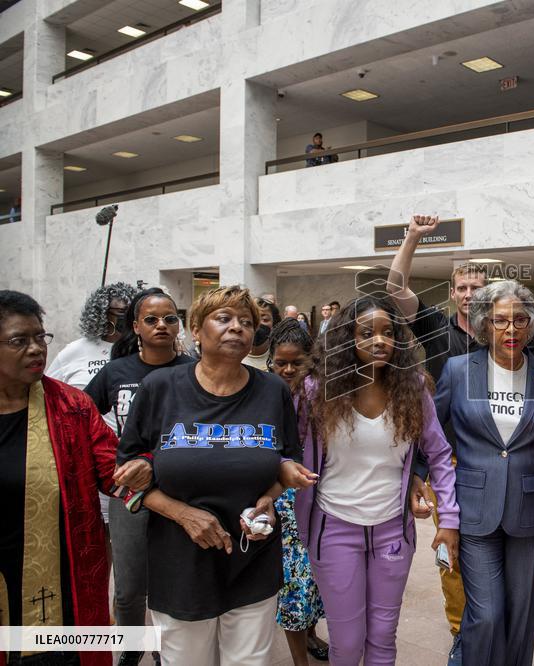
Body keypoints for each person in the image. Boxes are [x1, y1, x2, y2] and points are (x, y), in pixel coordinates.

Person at [116, 285, 314, 666]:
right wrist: (182, 513)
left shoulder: (271, 390)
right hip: (180, 565)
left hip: (252, 558)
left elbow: (286, 460)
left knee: (249, 662)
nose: (237, 328)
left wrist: (272, 494)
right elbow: (124, 478)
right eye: (224, 319)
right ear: (195, 329)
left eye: (246, 323)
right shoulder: (160, 388)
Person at [295, 295, 459, 665]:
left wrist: (449, 518)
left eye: (388, 333)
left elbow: (438, 453)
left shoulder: (413, 388)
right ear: (345, 338)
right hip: (333, 527)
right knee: (348, 641)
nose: (379, 340)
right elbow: (290, 451)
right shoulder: (315, 390)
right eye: (366, 332)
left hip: (391, 530)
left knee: (383, 638)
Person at [0, 290, 147, 666]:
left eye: (40, 337)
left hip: (64, 579)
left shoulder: (71, 407)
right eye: (20, 340)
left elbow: (114, 469)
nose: (36, 349)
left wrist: (151, 467)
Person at [434, 281, 534, 666]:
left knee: (521, 614)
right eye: (500, 321)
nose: (511, 330)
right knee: (486, 613)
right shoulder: (459, 371)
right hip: (474, 506)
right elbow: (433, 433)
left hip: (529, 505)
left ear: (531, 325)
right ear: (483, 325)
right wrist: (416, 478)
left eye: (520, 320)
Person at [387, 214, 488, 664]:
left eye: (477, 288)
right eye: (462, 288)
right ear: (452, 293)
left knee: (487, 547)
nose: (469, 295)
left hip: (492, 460)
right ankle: (460, 632)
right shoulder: (434, 327)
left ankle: (488, 626)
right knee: (452, 546)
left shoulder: (505, 334)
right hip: (444, 463)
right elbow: (394, 289)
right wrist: (412, 237)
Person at [84, 288, 195, 666]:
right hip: (129, 493)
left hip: (183, 492)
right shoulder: (117, 372)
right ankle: (130, 650)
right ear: (136, 326)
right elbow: (82, 416)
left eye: (169, 318)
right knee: (130, 588)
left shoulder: (192, 370)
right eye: (151, 319)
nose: (161, 325)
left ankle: (168, 652)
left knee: (174, 582)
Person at [48, 282, 138, 525]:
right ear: (100, 313)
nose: (121, 319)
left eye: (127, 313)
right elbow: (51, 396)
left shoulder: (141, 352)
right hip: (88, 459)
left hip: (133, 460)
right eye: (116, 313)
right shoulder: (74, 351)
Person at [265, 319, 328, 666]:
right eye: (281, 362)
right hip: (280, 494)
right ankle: (299, 659)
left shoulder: (320, 391)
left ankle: (311, 633)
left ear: (310, 359)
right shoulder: (263, 391)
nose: (288, 369)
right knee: (295, 581)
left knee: (315, 575)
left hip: (316, 490)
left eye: (297, 362)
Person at [244, 298, 279, 372]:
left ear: (274, 324)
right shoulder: (234, 356)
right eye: (254, 319)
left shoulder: (280, 356)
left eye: (265, 319)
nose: (258, 324)